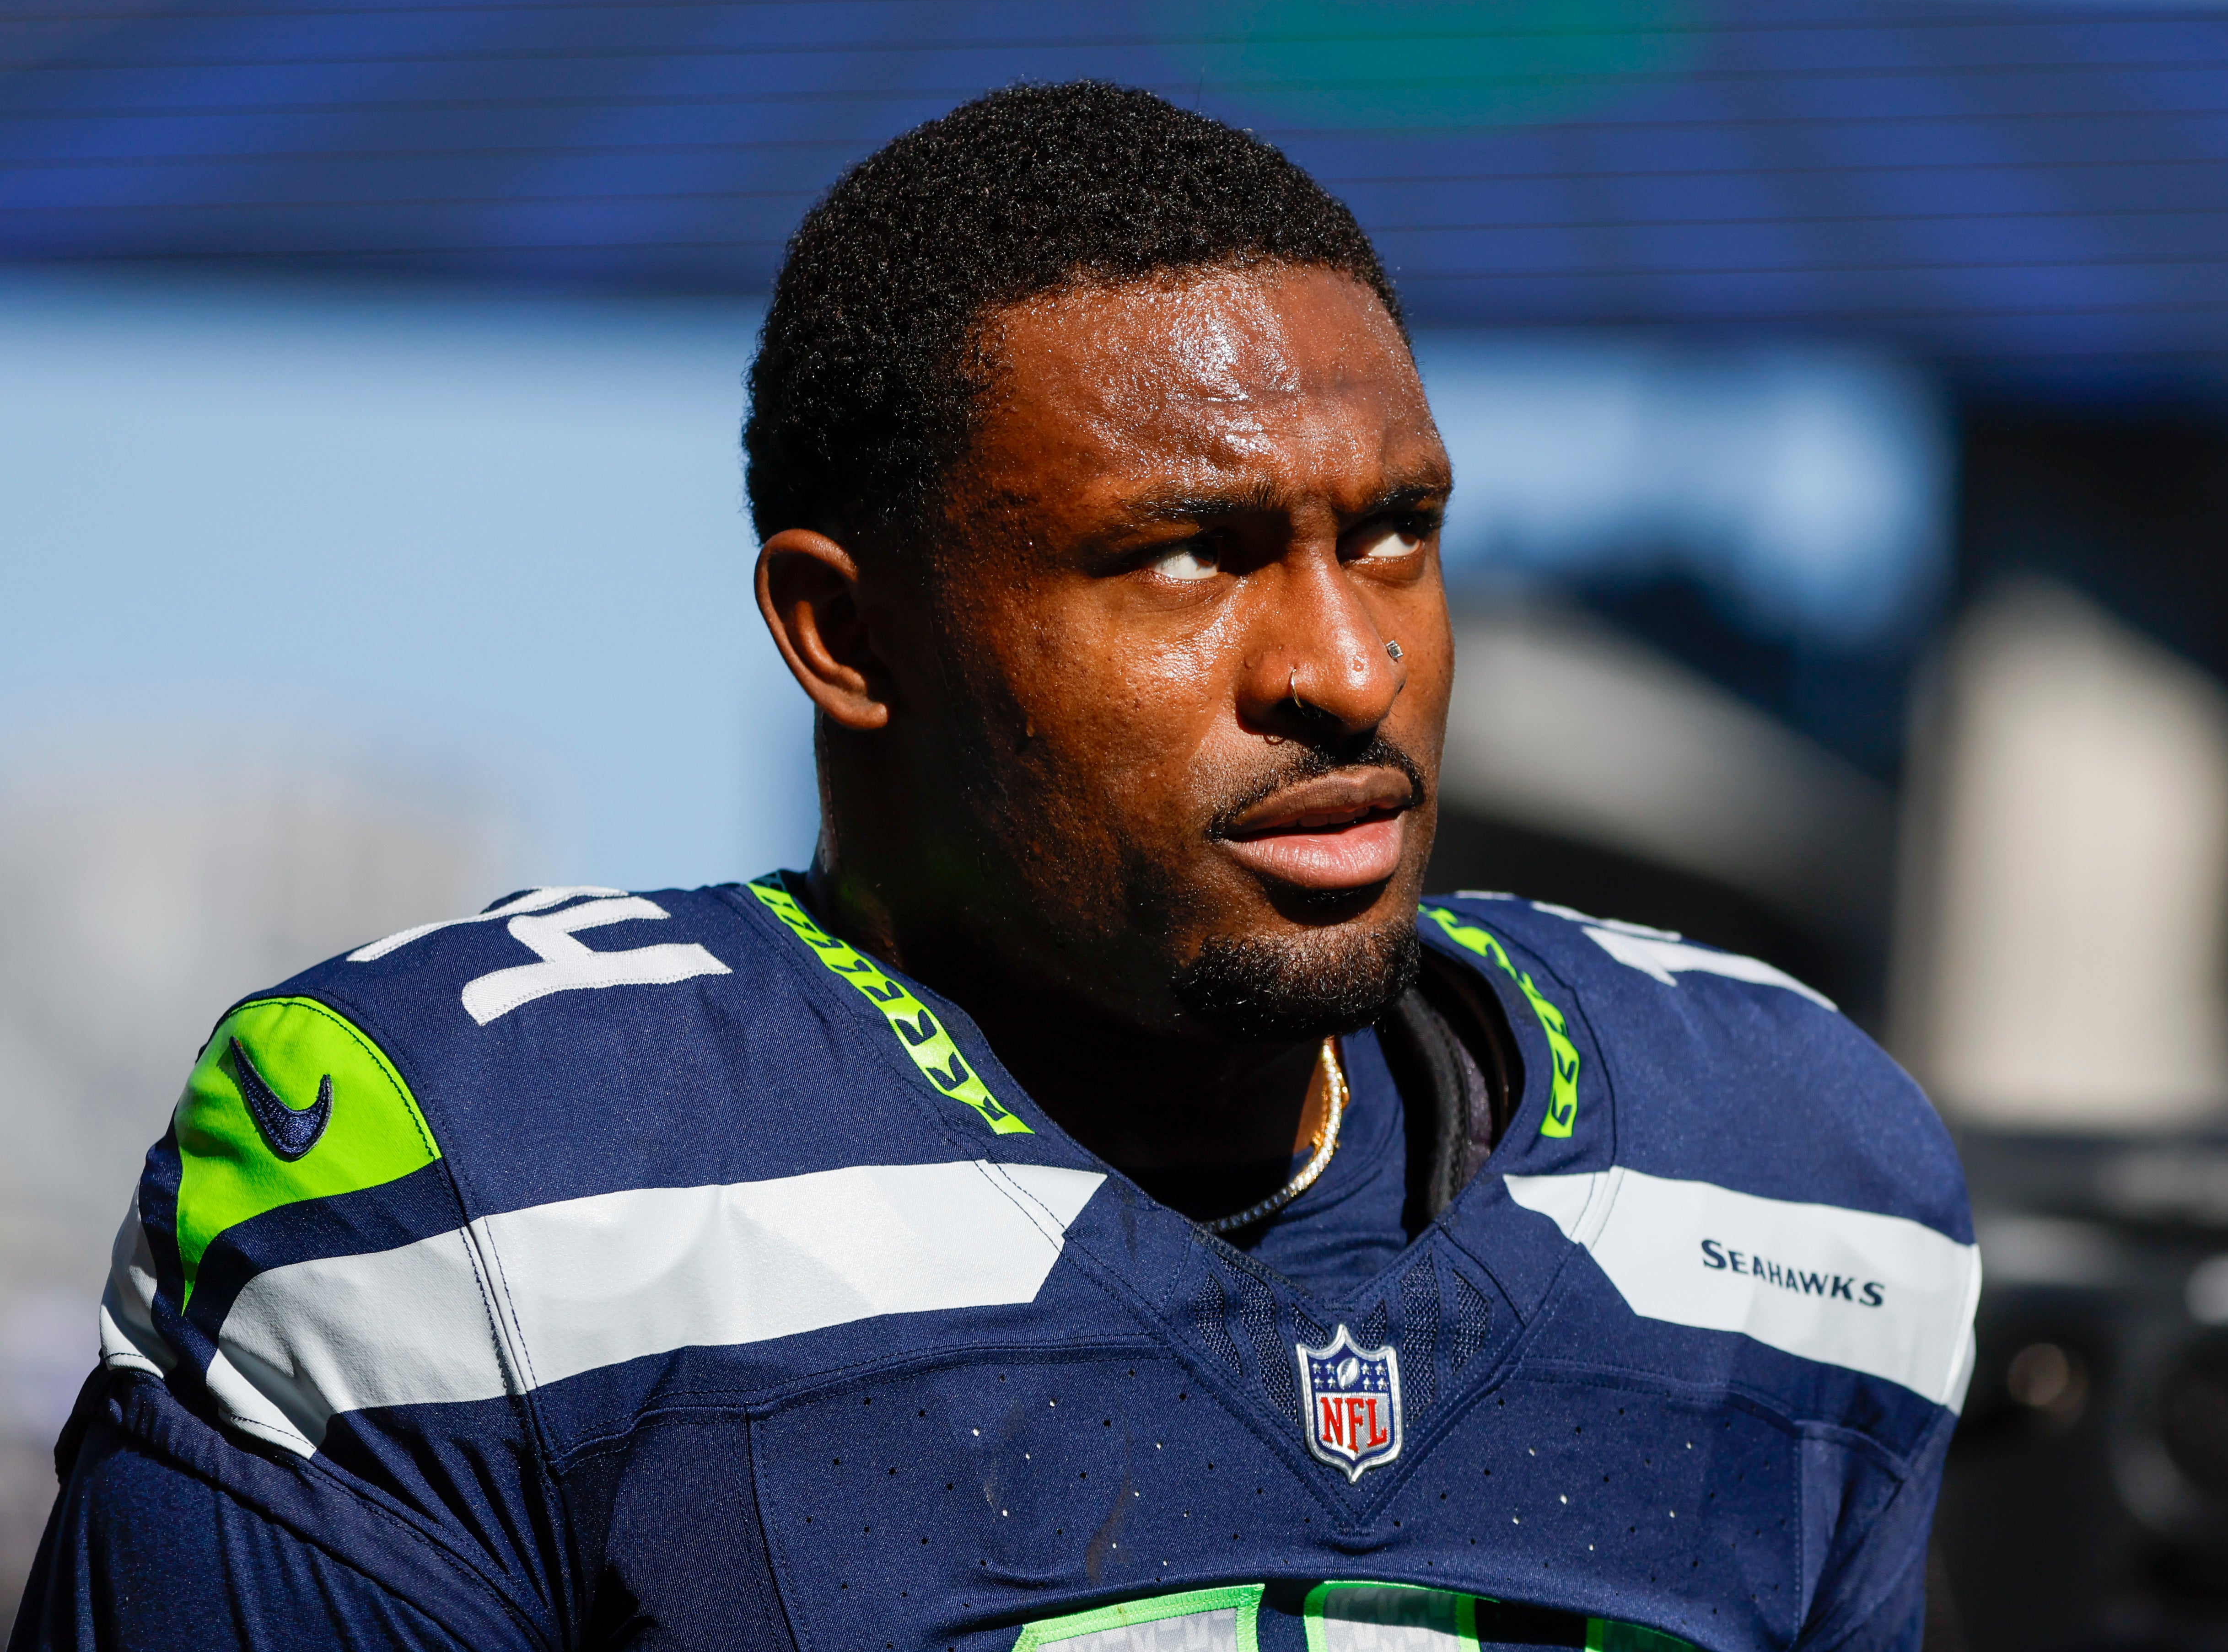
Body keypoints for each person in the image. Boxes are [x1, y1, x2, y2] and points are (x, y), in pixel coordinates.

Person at [10, 81, 1975, 1652]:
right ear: (845, 637)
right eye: (1186, 553)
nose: (1347, 666)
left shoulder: (1788, 1173)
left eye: (1392, 535)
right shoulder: (497, 1188)